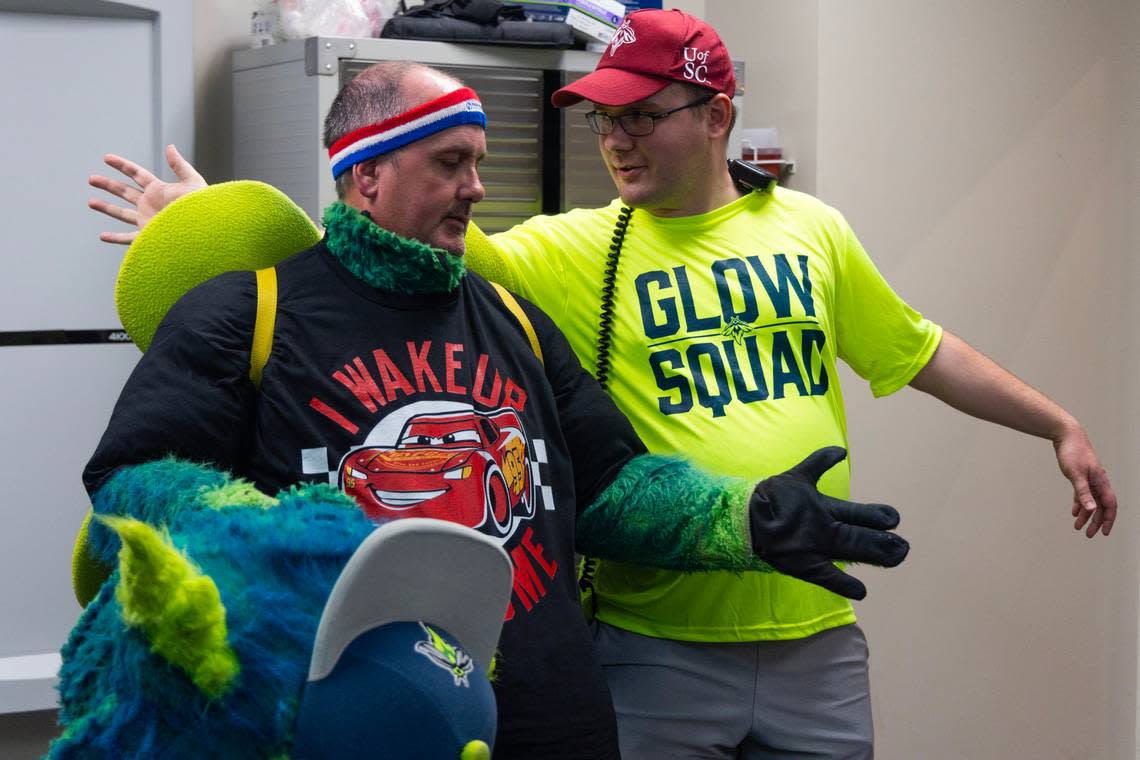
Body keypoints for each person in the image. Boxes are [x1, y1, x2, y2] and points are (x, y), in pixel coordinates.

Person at [90, 11, 1118, 757]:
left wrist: (747, 518)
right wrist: (294, 554)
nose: (478, 191)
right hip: (354, 719)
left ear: (715, 117)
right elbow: (135, 489)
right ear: (369, 174)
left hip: (554, 713)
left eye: (482, 161)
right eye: (452, 163)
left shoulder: (519, 321)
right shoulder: (251, 317)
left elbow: (616, 485)